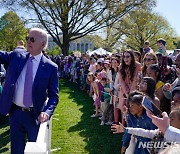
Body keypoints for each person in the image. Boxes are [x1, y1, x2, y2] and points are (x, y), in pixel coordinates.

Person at [0, 28, 59, 154]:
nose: (28, 42)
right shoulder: (16, 56)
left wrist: (47, 112)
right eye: (27, 38)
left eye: (32, 39)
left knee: (35, 150)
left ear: (42, 44)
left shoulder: (51, 67)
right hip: (15, 113)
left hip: (35, 116)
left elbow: (54, 96)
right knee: (16, 150)